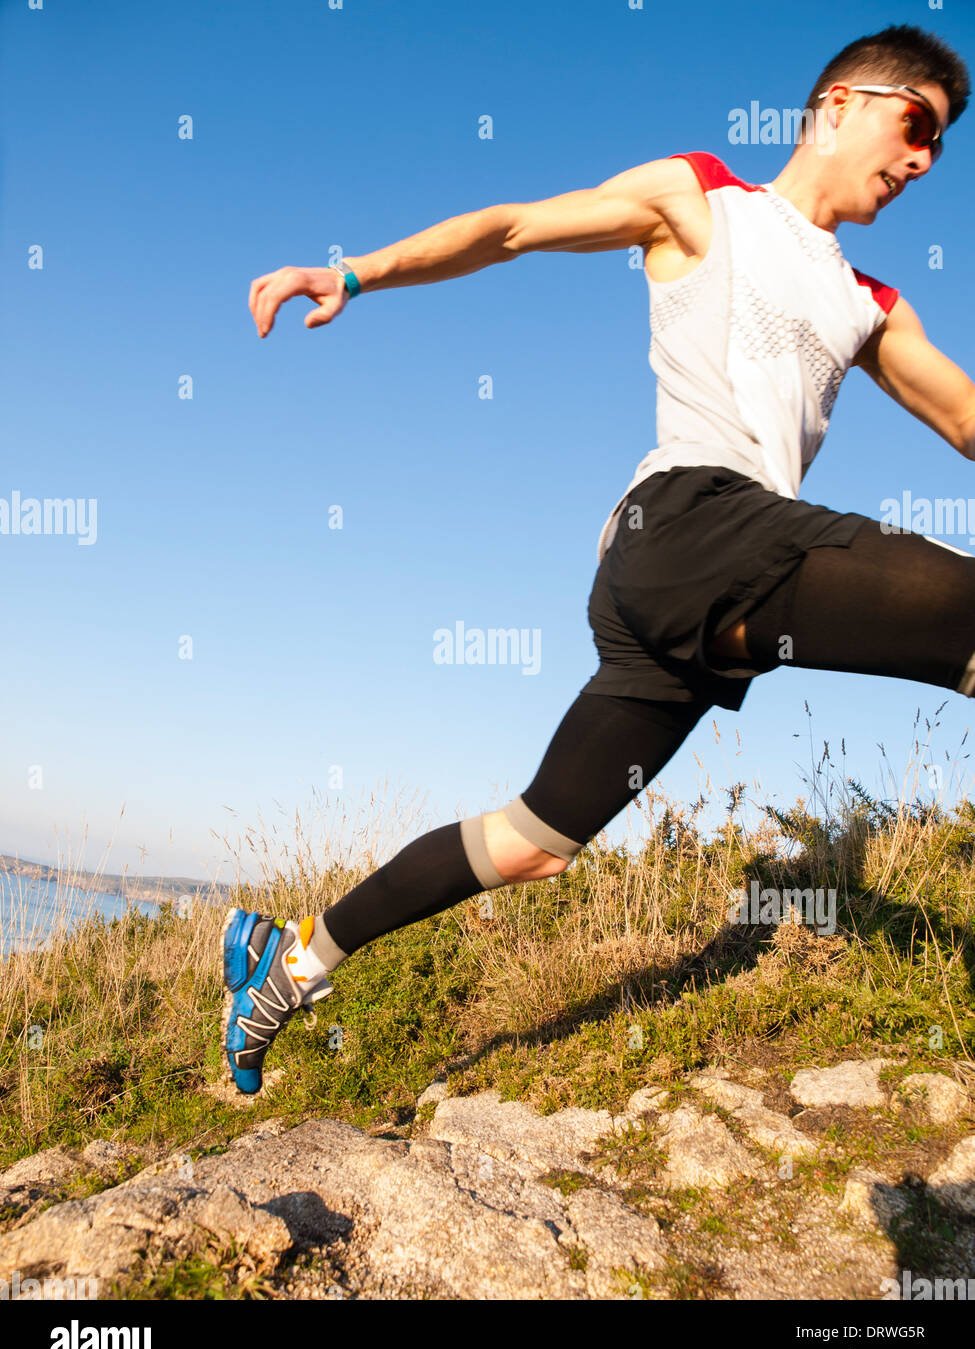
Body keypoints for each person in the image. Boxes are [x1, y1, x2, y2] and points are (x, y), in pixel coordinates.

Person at [223, 23, 974, 1095]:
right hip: (686, 529)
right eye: (919, 126)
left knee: (535, 839)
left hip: (702, 602)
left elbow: (964, 415)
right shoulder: (701, 197)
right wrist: (356, 270)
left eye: (940, 151)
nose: (923, 162)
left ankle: (287, 964)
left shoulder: (870, 302)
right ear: (844, 102)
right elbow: (518, 226)